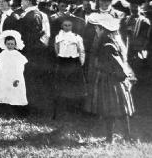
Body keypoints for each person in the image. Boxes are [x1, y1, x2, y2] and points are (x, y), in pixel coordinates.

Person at [87, 12, 135, 142]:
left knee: (112, 109)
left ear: (102, 29)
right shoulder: (112, 42)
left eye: (97, 28)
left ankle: (120, 137)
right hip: (112, 79)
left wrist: (102, 67)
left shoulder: (107, 45)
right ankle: (120, 137)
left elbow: (116, 65)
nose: (96, 30)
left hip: (111, 80)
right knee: (116, 109)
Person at [52, 18, 86, 118]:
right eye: (65, 25)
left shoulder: (77, 37)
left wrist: (80, 63)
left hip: (74, 62)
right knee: (61, 86)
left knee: (74, 86)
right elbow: (56, 49)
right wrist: (60, 58)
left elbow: (81, 51)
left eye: (69, 25)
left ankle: (74, 110)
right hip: (63, 62)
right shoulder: (58, 37)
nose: (67, 27)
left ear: (72, 26)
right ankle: (61, 110)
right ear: (62, 26)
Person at [0, 30, 28, 108]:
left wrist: (18, 77)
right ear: (5, 44)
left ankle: (14, 104)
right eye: (8, 44)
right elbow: (2, 63)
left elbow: (21, 66)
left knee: (14, 89)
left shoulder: (17, 54)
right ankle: (4, 103)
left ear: (15, 44)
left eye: (12, 44)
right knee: (3, 87)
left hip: (14, 74)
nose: (10, 46)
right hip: (4, 73)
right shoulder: (3, 53)